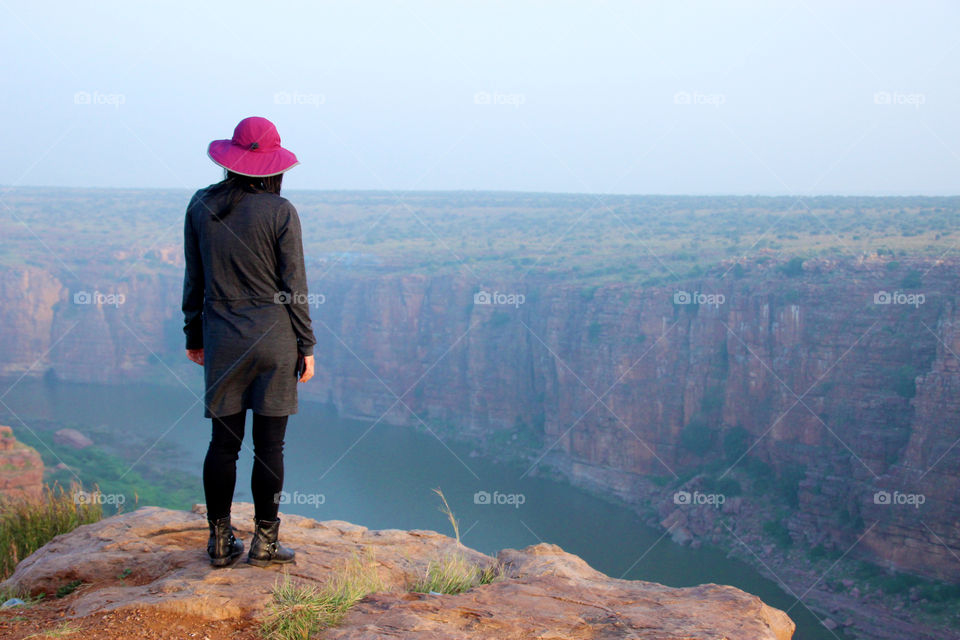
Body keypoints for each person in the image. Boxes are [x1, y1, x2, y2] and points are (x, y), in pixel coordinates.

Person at [181, 116, 317, 567]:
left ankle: (220, 542)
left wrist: (194, 334)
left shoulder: (201, 205)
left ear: (231, 160)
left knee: (223, 445)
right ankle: (266, 542)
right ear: (273, 166)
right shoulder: (281, 211)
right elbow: (294, 284)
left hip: (223, 337)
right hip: (275, 338)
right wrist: (306, 345)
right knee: (270, 447)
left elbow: (194, 278)